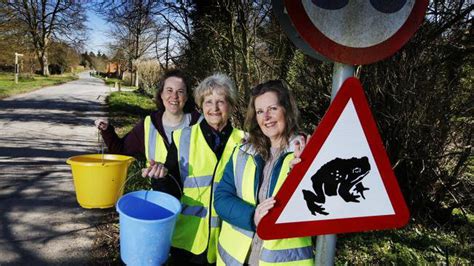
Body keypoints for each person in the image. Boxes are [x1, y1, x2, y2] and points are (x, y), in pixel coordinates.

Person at [142, 73, 245, 265]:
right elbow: (170, 191)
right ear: (200, 105)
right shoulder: (182, 138)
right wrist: (161, 178)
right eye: (208, 102)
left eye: (220, 102)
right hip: (187, 243)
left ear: (231, 105)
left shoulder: (245, 142)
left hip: (227, 244)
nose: (214, 108)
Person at [214, 80, 314, 265]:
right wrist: (252, 217)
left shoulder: (306, 152)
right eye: (260, 111)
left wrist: (299, 173)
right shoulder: (243, 151)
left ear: (287, 110)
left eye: (272, 108)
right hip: (236, 259)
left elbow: (315, 208)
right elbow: (221, 198)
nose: (266, 117)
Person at [95, 69, 201, 163]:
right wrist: (107, 130)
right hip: (160, 185)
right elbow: (120, 151)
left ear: (186, 97)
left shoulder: (200, 124)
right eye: (169, 90)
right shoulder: (149, 125)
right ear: (161, 94)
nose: (174, 96)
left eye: (180, 91)